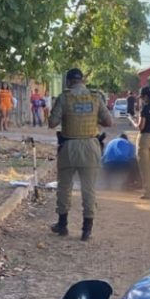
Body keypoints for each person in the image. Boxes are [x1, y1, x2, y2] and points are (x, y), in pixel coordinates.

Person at [48, 67, 113, 241]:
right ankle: (86, 230)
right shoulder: (96, 97)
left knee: (64, 187)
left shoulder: (64, 97)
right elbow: (109, 121)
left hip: (69, 147)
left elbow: (52, 123)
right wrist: (93, 118)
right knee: (88, 189)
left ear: (69, 81)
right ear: (82, 80)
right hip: (91, 147)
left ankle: (62, 225)